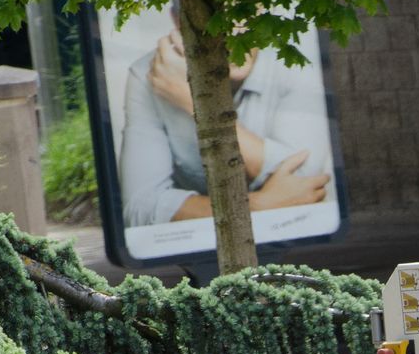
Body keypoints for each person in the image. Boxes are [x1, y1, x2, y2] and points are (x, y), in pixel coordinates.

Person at [119, 13, 332, 227]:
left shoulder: (294, 60)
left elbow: (304, 183)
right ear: (178, 21)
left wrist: (197, 104)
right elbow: (140, 208)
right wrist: (255, 207)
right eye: (213, 15)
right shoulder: (149, 74)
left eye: (243, 10)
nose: (234, 31)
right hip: (201, 249)